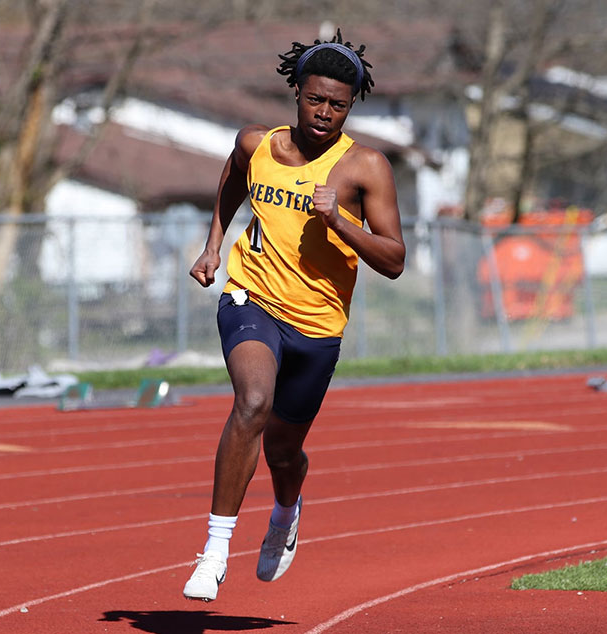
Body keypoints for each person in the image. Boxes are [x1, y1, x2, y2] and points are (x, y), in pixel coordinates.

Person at [181, 30, 405, 602]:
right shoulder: (256, 143)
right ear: (297, 93)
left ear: (351, 105)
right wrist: (214, 243)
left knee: (283, 449)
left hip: (318, 327)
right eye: (315, 99)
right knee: (252, 402)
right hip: (251, 298)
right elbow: (234, 174)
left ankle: (285, 511)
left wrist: (343, 224)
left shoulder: (365, 167)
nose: (325, 112)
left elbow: (395, 260)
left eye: (338, 103)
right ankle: (214, 549)